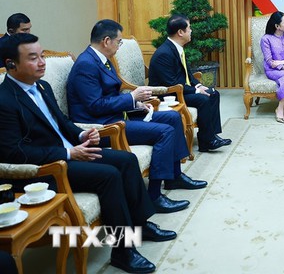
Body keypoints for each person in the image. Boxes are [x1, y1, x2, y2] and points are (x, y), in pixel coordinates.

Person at [0, 33, 177, 274]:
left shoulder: (42, 86)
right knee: (108, 176)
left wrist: (83, 135)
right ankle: (123, 251)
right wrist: (69, 153)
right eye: (33, 58)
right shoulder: (4, 100)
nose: (42, 62)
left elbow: (62, 122)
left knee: (126, 160)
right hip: (46, 168)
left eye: (42, 56)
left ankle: (140, 226)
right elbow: (14, 152)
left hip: (70, 151)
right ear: (11, 64)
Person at [66, 19, 206, 214]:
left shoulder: (101, 59)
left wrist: (135, 104)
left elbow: (109, 96)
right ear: (106, 41)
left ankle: (174, 177)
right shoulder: (86, 65)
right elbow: (95, 106)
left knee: (172, 118)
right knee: (164, 132)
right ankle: (155, 197)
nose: (119, 46)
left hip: (117, 115)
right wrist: (131, 97)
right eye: (119, 42)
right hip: (102, 127)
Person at [148, 14, 231, 152]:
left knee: (213, 93)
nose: (191, 31)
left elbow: (188, 74)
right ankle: (208, 140)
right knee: (203, 99)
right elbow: (171, 83)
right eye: (189, 28)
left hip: (180, 89)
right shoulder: (164, 54)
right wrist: (196, 91)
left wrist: (198, 85)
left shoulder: (177, 47)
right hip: (168, 95)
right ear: (180, 32)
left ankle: (210, 136)